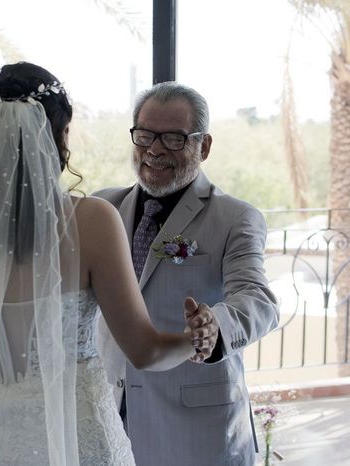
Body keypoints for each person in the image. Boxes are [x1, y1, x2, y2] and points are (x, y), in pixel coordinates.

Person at [0, 62, 207, 466]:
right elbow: (145, 352)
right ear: (58, 138)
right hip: (78, 436)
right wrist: (199, 339)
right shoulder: (92, 221)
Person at [93, 81, 279, 466]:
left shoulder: (235, 217)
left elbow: (258, 299)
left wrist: (215, 327)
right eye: (144, 135)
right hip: (108, 417)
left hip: (199, 432)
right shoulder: (101, 207)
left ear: (204, 146)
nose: (155, 149)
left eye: (174, 138)